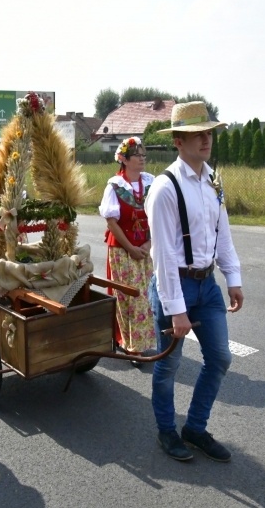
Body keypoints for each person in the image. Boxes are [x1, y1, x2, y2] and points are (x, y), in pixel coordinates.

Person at [146, 101, 244, 463]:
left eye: (208, 133)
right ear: (177, 141)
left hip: (207, 286)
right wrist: (175, 310)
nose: (206, 140)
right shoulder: (165, 187)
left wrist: (232, 277)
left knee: (219, 358)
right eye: (196, 134)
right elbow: (163, 255)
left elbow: (223, 233)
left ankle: (195, 428)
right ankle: (167, 431)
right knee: (169, 365)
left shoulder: (212, 179)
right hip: (177, 286)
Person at [99, 136, 155, 361]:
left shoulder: (151, 183)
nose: (142, 159)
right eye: (137, 156)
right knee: (129, 296)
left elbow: (157, 216)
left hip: (145, 248)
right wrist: (131, 247)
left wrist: (149, 243)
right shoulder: (114, 186)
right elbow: (111, 222)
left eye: (143, 155)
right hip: (123, 250)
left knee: (148, 294)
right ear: (124, 159)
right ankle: (130, 343)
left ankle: (143, 340)